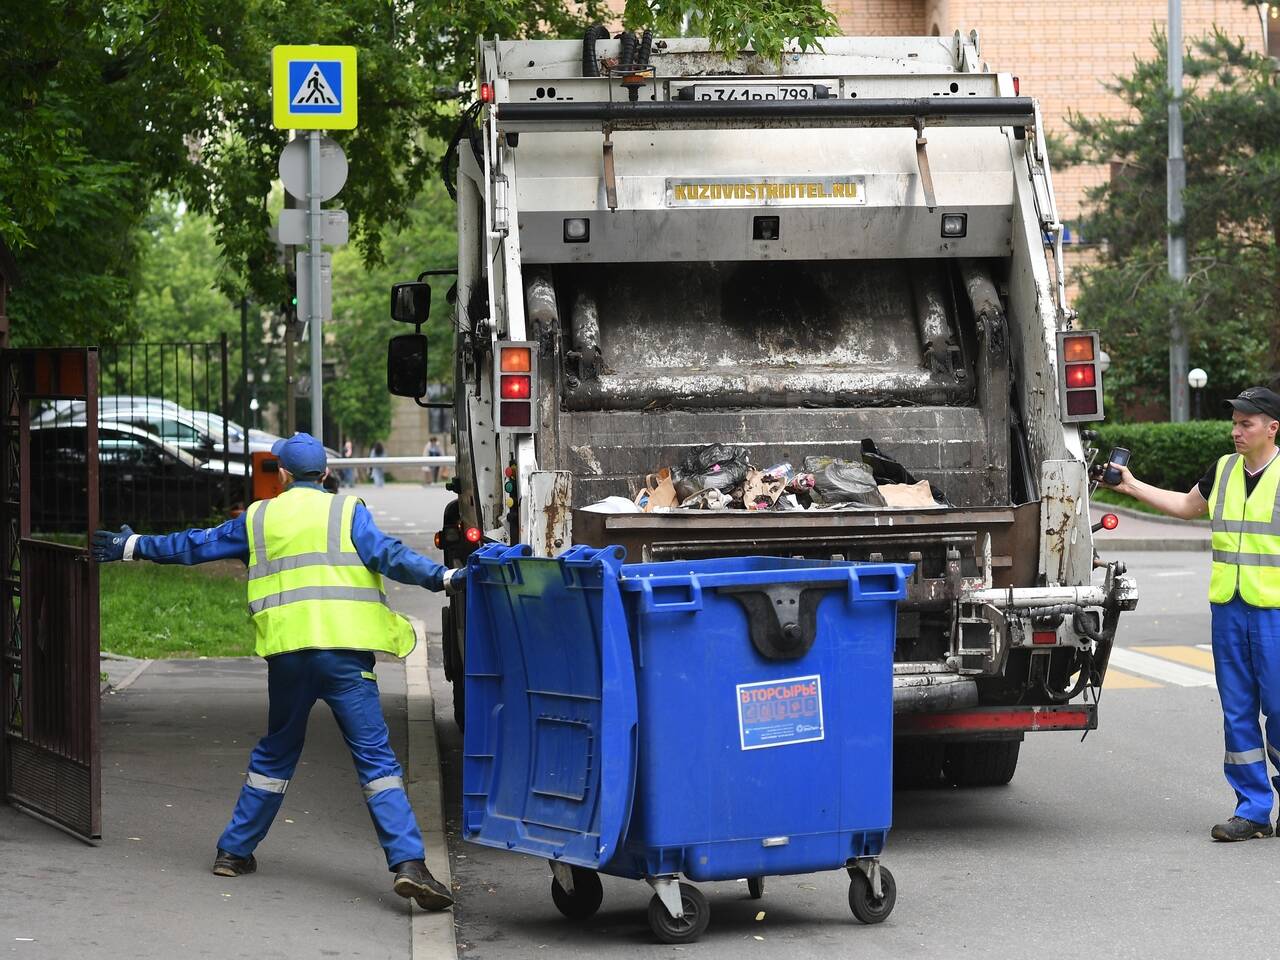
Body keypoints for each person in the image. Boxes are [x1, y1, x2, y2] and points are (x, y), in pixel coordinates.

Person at [90, 432, 465, 908]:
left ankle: (234, 850)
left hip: (289, 658)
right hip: (346, 658)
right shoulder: (347, 512)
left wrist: (132, 545)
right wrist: (445, 576)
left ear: (282, 475)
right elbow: (392, 556)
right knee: (376, 762)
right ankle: (409, 865)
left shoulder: (258, 517)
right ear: (326, 473)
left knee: (276, 754)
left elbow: (193, 546)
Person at [1099, 386, 1280, 842]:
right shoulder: (1223, 470)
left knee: (1279, 709)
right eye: (1235, 423)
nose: (1236, 431)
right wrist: (1130, 484)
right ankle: (1253, 811)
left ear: (1272, 429)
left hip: (1274, 613)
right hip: (1229, 611)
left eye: (1246, 424)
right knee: (1238, 711)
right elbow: (1184, 506)